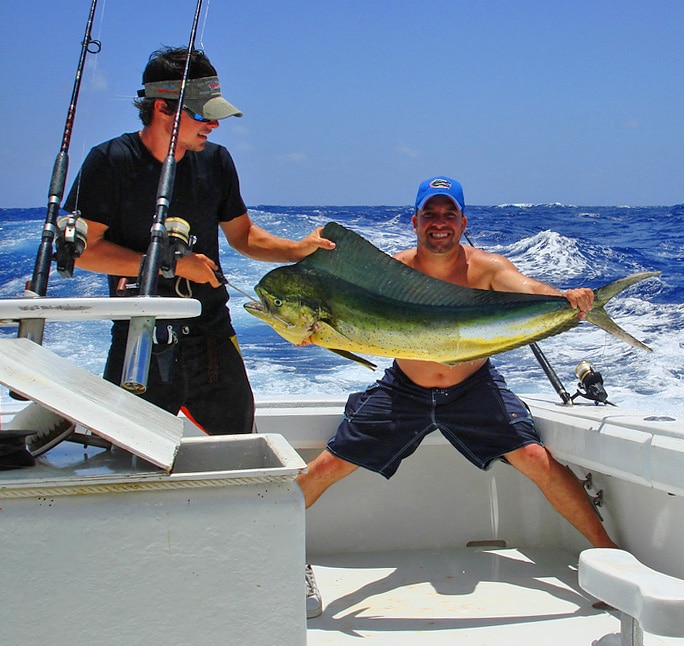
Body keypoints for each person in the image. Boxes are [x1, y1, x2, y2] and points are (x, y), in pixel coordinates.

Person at [297, 175, 618, 618]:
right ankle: (270, 551)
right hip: (404, 390)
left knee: (536, 460)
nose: (440, 222)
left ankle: (614, 560)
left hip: (473, 389)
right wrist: (311, 331)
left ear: (463, 221)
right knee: (329, 464)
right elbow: (345, 319)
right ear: (415, 221)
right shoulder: (391, 270)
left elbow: (526, 289)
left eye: (449, 214)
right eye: (430, 213)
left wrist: (566, 298)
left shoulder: (485, 268)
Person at [63, 46, 334, 435]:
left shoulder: (216, 161)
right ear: (162, 108)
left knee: (238, 446)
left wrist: (296, 249)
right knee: (128, 455)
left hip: (211, 334)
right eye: (203, 114)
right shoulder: (110, 161)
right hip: (139, 337)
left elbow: (244, 236)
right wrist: (172, 265)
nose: (214, 125)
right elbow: (84, 252)